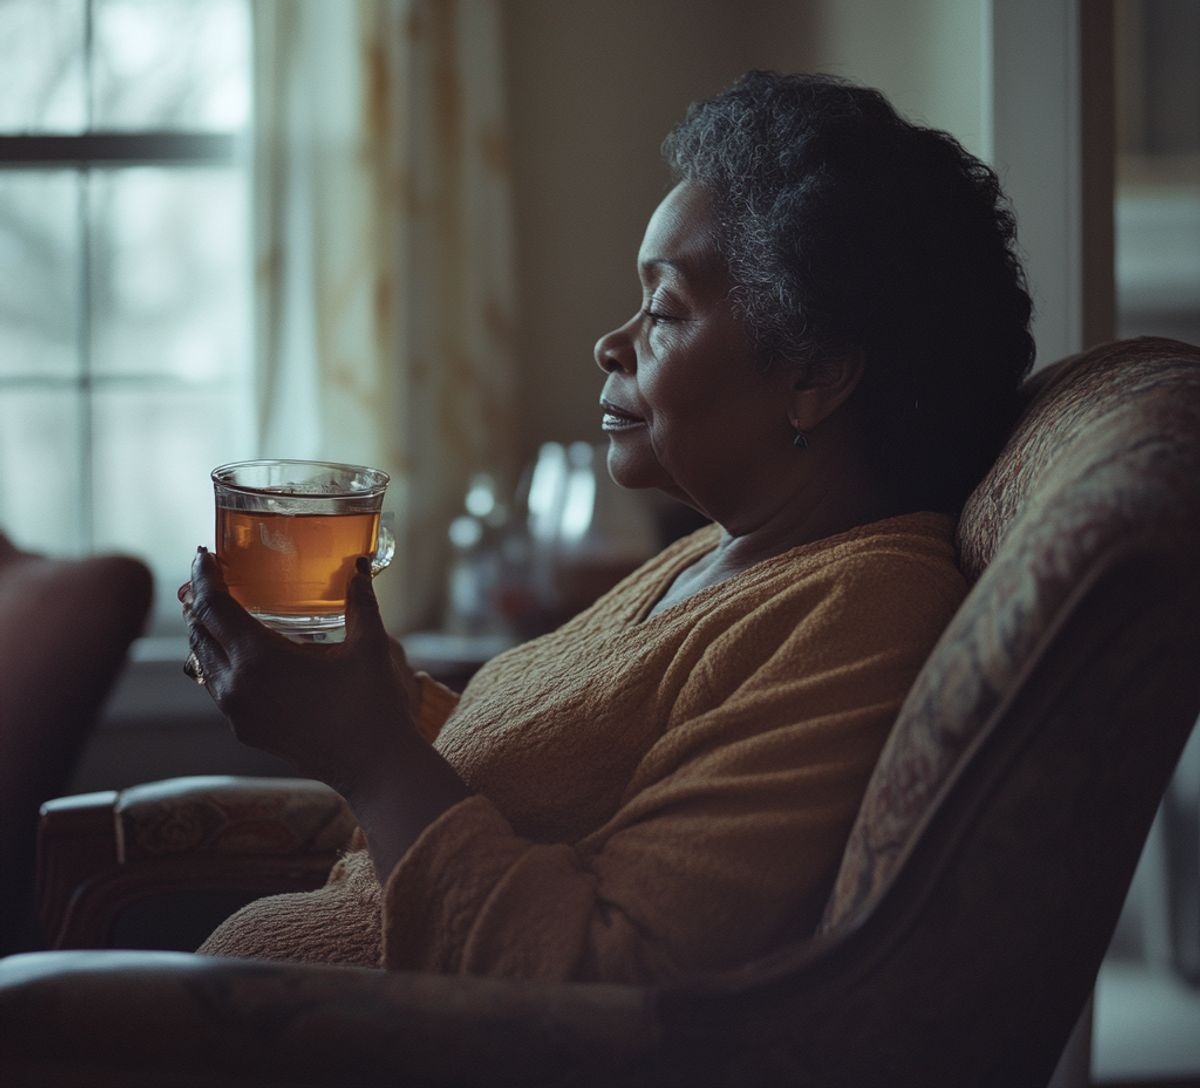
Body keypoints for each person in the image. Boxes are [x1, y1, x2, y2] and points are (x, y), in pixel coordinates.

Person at [182, 71, 1034, 984]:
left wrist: (369, 754)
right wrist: (377, 701)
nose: (612, 342)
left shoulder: (859, 614)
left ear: (817, 372)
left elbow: (606, 985)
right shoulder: (725, 551)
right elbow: (572, 779)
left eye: (665, 309)